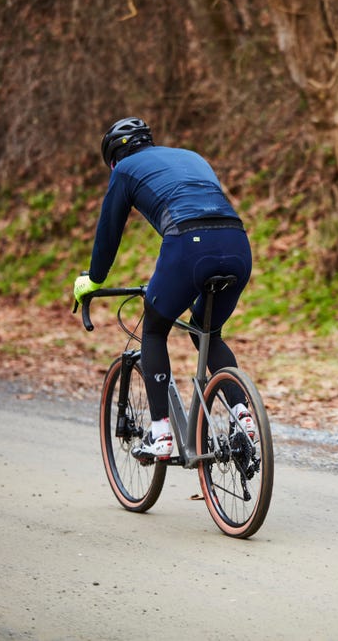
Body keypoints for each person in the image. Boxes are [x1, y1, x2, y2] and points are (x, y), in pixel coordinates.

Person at [74, 117, 254, 460]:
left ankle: (160, 434)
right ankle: (243, 415)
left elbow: (108, 233)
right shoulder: (192, 156)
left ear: (113, 156)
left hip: (189, 245)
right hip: (237, 244)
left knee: (155, 328)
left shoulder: (124, 169)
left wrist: (94, 280)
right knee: (207, 332)